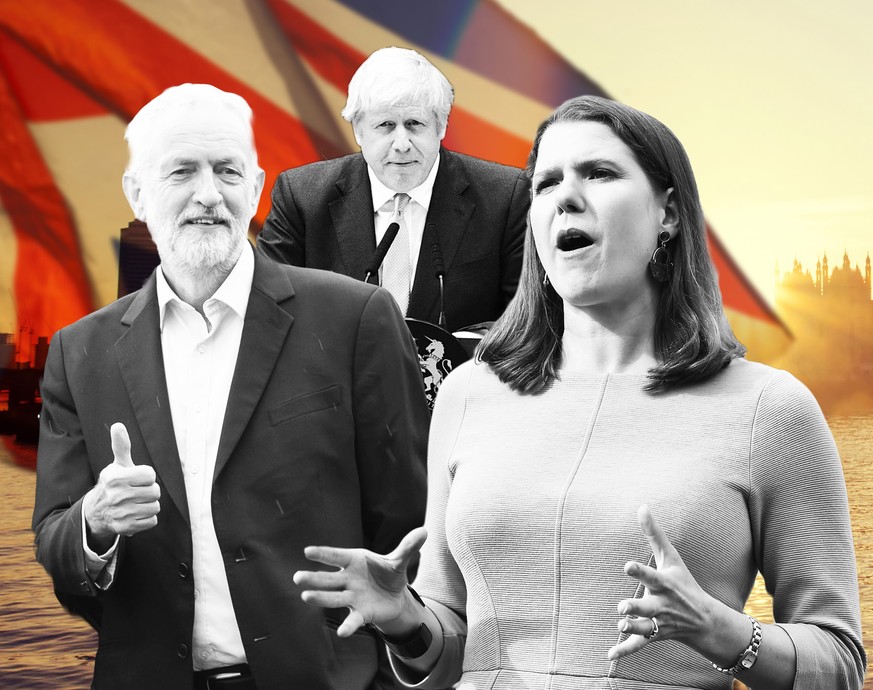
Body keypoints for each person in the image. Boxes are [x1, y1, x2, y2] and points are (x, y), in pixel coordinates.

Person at [292, 95, 867, 689]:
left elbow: (839, 662)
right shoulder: (468, 393)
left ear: (667, 215)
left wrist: (721, 632)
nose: (565, 196)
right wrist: (405, 618)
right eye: (545, 183)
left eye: (599, 173)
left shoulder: (768, 408)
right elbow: (449, 648)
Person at [31, 83, 429, 690]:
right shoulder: (78, 352)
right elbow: (55, 539)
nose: (208, 194)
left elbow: (410, 526)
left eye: (227, 170)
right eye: (182, 171)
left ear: (257, 187)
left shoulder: (356, 319)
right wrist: (95, 522)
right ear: (138, 194)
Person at [256, 47, 529, 332]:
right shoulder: (301, 197)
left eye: (414, 124)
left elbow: (528, 319)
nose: (401, 144)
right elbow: (268, 310)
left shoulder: (505, 197)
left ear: (441, 127)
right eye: (385, 125)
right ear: (358, 132)